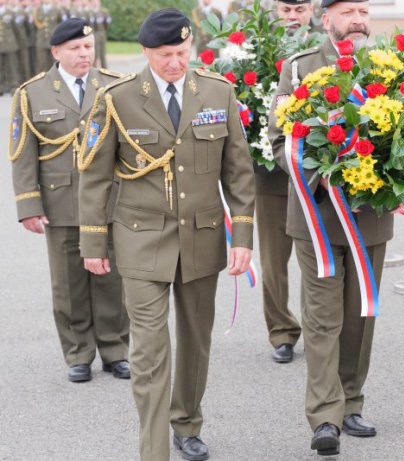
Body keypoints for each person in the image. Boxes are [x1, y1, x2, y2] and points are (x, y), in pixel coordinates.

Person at [78, 8, 255, 461]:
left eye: (181, 52)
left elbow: (239, 173)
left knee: (196, 340)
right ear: (145, 52)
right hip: (140, 240)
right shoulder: (116, 98)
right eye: (164, 55)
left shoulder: (218, 92)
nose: (175, 62)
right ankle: (153, 450)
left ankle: (187, 423)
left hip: (202, 237)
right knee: (150, 352)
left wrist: (243, 239)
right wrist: (93, 242)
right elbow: (95, 177)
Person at [269, 0, 392, 456]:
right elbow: (278, 136)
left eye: (364, 10)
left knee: (361, 315)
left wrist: (397, 176)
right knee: (322, 319)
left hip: (370, 217)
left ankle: (352, 401)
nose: (358, 19)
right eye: (348, 11)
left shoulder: (389, 69)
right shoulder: (300, 70)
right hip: (316, 213)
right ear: (327, 20)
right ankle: (324, 416)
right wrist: (310, 169)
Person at [9, 17, 129, 383]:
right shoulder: (33, 93)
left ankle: (115, 350)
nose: (83, 54)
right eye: (75, 48)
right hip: (60, 203)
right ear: (56, 51)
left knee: (111, 278)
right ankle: (78, 352)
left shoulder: (113, 86)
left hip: (108, 200)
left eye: (88, 47)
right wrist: (29, 205)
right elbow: (22, 152)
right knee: (68, 282)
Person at [255, 0, 316, 366]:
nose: (292, 17)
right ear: (273, 11)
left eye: (300, 9)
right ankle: (281, 331)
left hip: (316, 176)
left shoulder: (328, 50)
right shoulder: (254, 49)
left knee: (319, 257)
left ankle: (319, 326)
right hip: (271, 175)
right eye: (285, 9)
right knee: (274, 261)